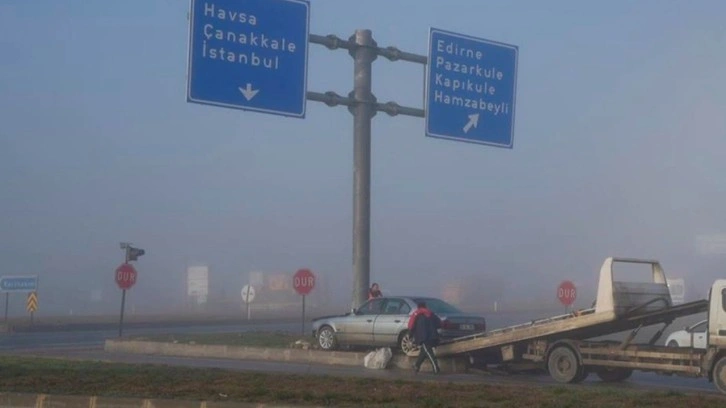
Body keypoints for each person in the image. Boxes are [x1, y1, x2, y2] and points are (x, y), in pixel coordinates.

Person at [407, 301, 441, 374]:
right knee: (423, 352)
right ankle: (416, 366)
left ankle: (436, 368)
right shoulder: (431, 314)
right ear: (425, 306)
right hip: (433, 336)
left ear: (418, 307)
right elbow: (439, 323)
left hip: (424, 337)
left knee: (429, 352)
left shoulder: (416, 314)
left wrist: (410, 335)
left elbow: (411, 326)